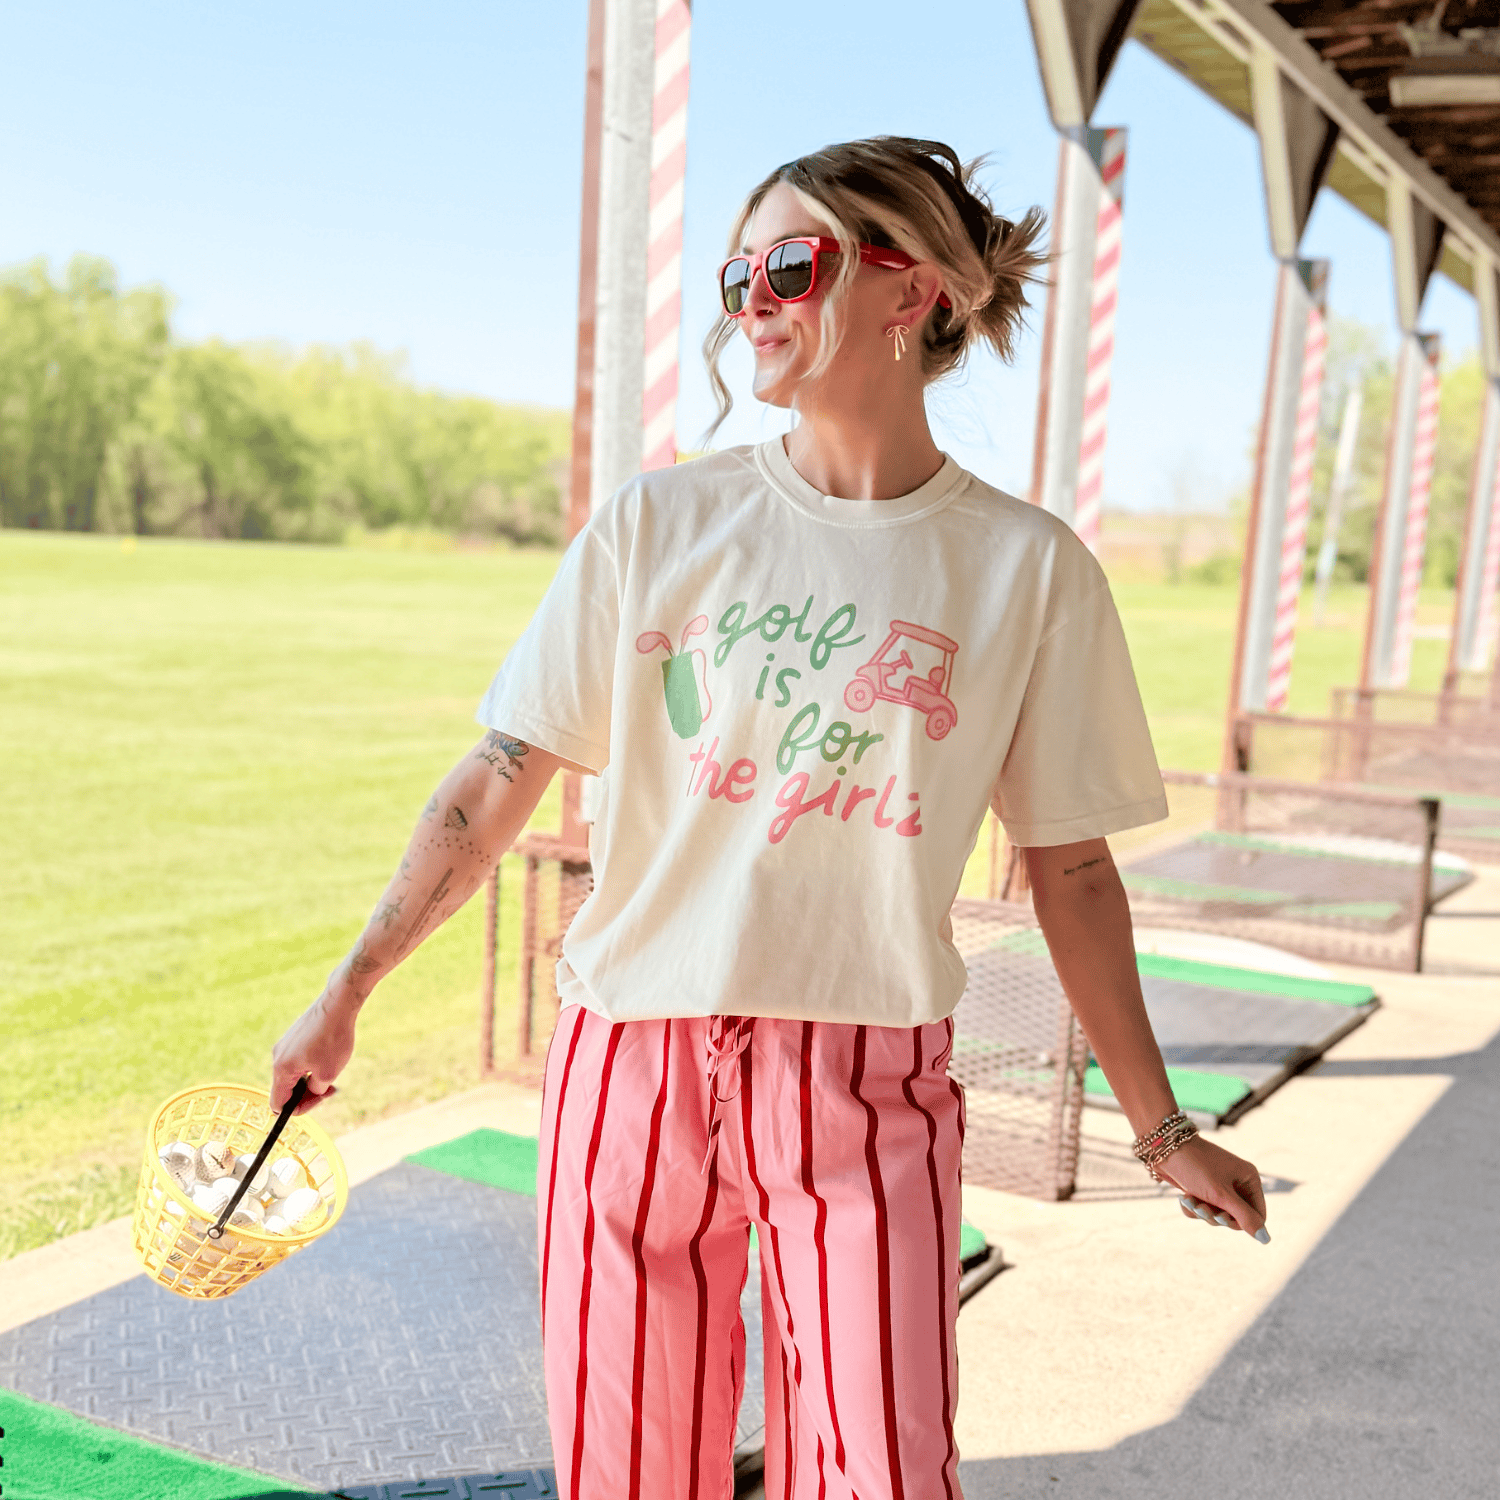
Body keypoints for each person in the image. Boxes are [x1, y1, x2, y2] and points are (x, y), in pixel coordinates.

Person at [271, 136, 1269, 1500]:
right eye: (741, 270)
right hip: (631, 1066)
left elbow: (1076, 870)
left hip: (869, 1086)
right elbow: (498, 779)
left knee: (885, 1472)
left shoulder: (1030, 572)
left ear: (918, 290)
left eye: (790, 264)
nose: (752, 297)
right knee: (628, 1477)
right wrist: (347, 991)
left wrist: (1163, 1134)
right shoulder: (658, 527)